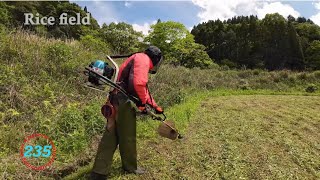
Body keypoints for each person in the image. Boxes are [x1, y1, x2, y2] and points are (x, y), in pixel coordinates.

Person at [91, 46, 164, 180]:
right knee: (128, 136)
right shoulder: (143, 59)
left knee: (110, 136)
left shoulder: (136, 57)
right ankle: (130, 167)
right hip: (124, 102)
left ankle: (99, 172)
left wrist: (154, 105)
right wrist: (142, 105)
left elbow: (142, 89)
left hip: (113, 99)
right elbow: (139, 83)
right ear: (156, 58)